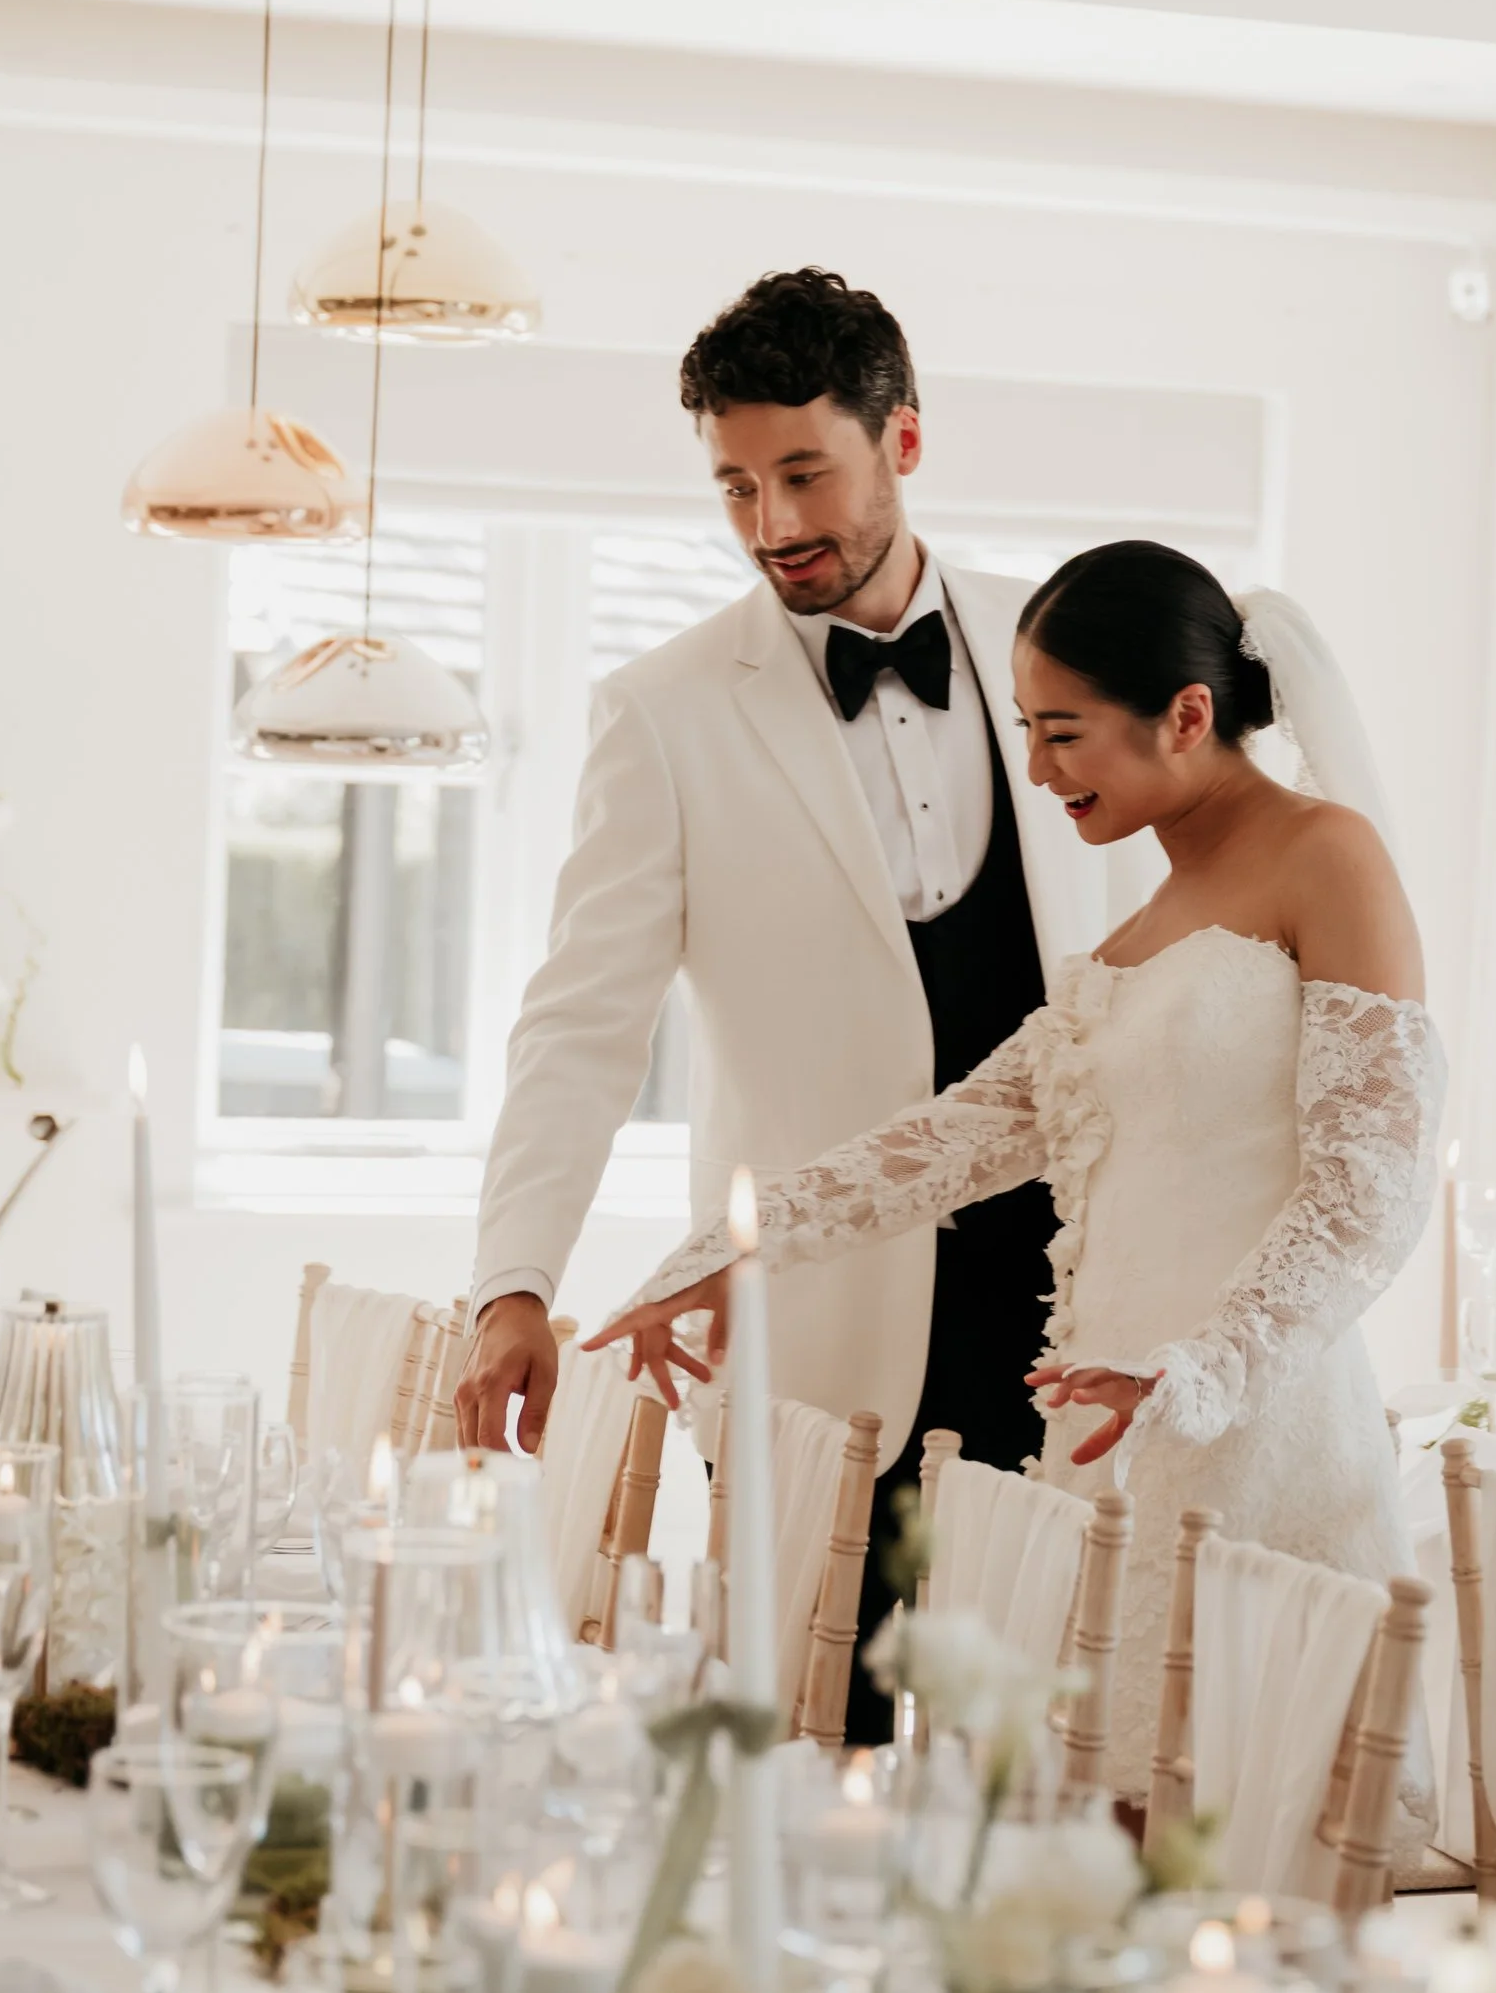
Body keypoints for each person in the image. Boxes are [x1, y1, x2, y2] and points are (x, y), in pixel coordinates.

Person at [589, 540, 1444, 1804]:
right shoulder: (1158, 904)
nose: (1035, 769)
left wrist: (1204, 1371)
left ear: (1188, 717)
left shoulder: (1331, 856)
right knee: (1085, 1835)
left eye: (1063, 733)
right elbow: (958, 1136)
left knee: (1239, 1836)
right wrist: (723, 1248)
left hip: (1250, 1424)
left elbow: (1373, 1186)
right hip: (1104, 1428)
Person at [458, 269, 1102, 1699]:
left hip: (1078, 1313)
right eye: (736, 486)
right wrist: (514, 1281)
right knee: (822, 1745)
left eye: (804, 473)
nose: (774, 526)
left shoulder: (1057, 647)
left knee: (1048, 1745)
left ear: (905, 442)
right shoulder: (664, 715)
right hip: (819, 1338)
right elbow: (579, 1027)